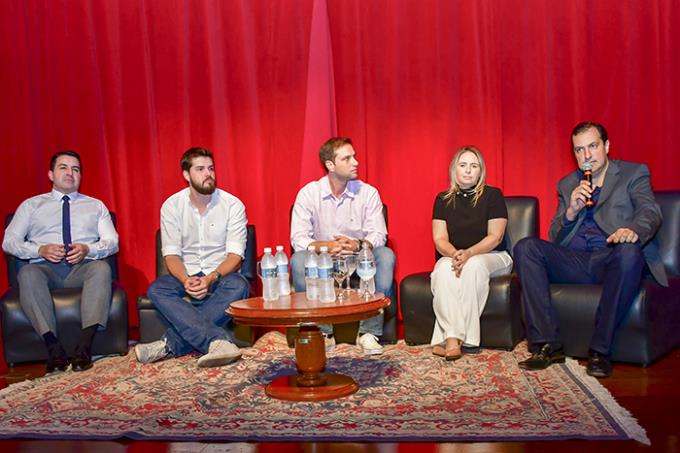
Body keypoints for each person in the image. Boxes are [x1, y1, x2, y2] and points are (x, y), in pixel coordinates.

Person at [515, 122, 667, 378]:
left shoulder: (633, 173)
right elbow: (555, 236)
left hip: (612, 258)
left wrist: (632, 230)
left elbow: (650, 211)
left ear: (606, 146)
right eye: (579, 150)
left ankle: (600, 350)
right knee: (526, 247)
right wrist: (571, 212)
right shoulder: (567, 185)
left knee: (629, 252)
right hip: (576, 261)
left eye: (593, 146)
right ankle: (547, 344)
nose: (587, 156)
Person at [3, 150, 119, 373]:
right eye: (63, 167)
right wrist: (40, 249)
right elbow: (9, 242)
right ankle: (53, 346)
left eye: (75, 169)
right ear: (50, 174)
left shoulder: (95, 206)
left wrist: (88, 249)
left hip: (81, 268)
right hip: (46, 269)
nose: (70, 173)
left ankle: (84, 347)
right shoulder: (31, 206)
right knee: (27, 273)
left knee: (101, 268)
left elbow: (112, 242)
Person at [134, 147, 250, 368]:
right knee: (157, 289)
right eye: (200, 169)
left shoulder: (232, 205)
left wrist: (211, 278)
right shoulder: (171, 206)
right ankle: (218, 341)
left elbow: (235, 256)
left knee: (239, 285)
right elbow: (171, 255)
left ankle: (168, 344)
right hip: (186, 272)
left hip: (220, 273)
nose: (209, 174)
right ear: (186, 175)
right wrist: (185, 279)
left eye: (211, 168)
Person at [290, 137, 395, 355]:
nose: (355, 162)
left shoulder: (368, 193)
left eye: (354, 156)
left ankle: (369, 333)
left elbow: (379, 234)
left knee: (385, 255)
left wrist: (358, 244)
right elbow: (298, 238)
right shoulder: (309, 194)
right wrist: (324, 246)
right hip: (323, 262)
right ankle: (321, 332)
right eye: (347, 158)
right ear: (330, 165)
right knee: (298, 259)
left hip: (358, 259)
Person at [429, 146, 513, 360]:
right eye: (463, 165)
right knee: (442, 270)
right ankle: (453, 340)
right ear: (454, 169)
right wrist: (456, 254)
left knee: (473, 266)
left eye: (473, 166)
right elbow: (439, 239)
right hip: (456, 255)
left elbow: (496, 236)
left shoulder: (493, 195)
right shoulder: (442, 199)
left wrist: (468, 254)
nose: (468, 170)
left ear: (480, 171)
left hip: (494, 255)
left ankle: (459, 338)